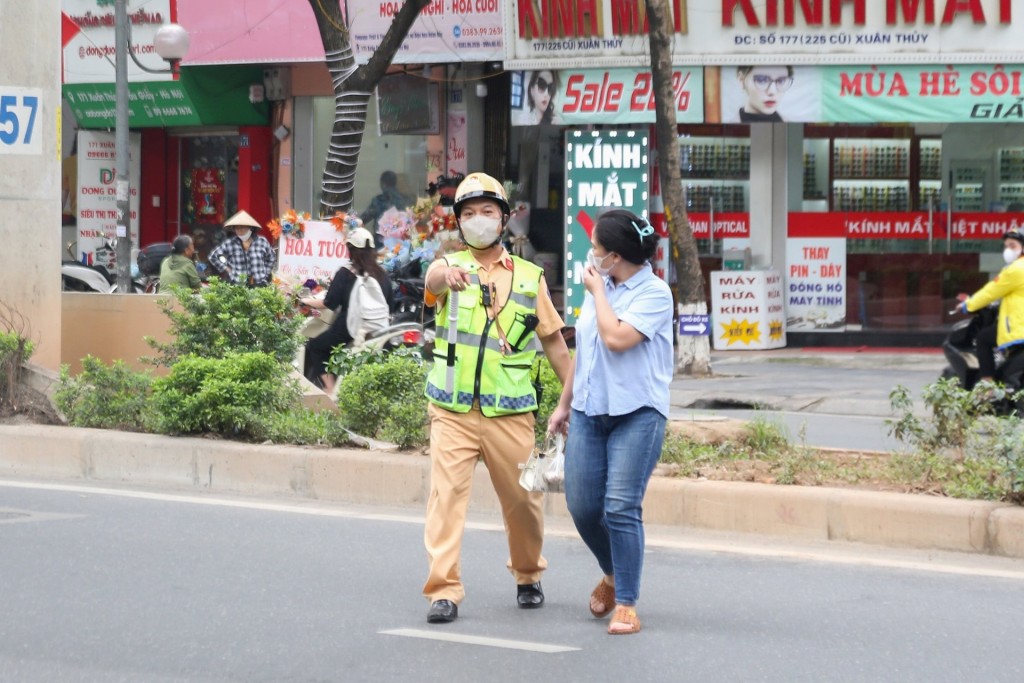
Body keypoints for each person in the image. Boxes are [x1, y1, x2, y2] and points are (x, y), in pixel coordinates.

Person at [420, 172, 571, 624]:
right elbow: (432, 281)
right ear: (459, 223)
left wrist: (572, 398)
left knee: (524, 502)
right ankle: (443, 590)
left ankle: (528, 574)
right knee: (445, 499)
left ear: (503, 219)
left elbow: (556, 345)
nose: (478, 220)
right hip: (452, 410)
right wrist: (446, 273)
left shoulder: (528, 278)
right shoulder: (449, 267)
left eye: (487, 212)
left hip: (510, 412)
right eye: (469, 214)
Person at [547, 209, 674, 636]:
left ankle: (626, 602)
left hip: (637, 413)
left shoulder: (654, 293)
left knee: (620, 507)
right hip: (588, 410)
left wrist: (598, 293)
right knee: (582, 507)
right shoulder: (604, 286)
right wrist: (564, 403)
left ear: (614, 256)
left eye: (597, 249)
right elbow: (587, 348)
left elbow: (617, 339)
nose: (592, 255)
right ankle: (613, 572)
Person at [300, 227, 394, 394]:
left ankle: (330, 390)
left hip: (349, 329)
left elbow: (329, 303)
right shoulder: (383, 274)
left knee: (316, 347)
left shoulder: (346, 273)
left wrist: (303, 300)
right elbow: (390, 304)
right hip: (379, 330)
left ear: (350, 250)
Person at [957, 229, 1024, 382]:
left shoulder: (1015, 269)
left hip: (1020, 328)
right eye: (1006, 246)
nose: (1008, 250)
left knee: (983, 338)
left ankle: (988, 385)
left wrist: (968, 305)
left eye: (1012, 246)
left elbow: (990, 292)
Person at [208, 210, 276, 287]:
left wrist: (266, 273)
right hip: (238, 285)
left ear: (250, 228)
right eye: (236, 228)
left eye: (242, 227)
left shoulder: (262, 241)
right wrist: (227, 269)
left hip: (259, 284)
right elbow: (213, 256)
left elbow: (271, 258)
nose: (239, 230)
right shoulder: (230, 243)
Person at [360, 171, 410, 244]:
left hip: (381, 242)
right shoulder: (405, 199)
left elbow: (363, 219)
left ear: (383, 184)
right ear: (395, 183)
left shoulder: (379, 200)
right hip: (400, 242)